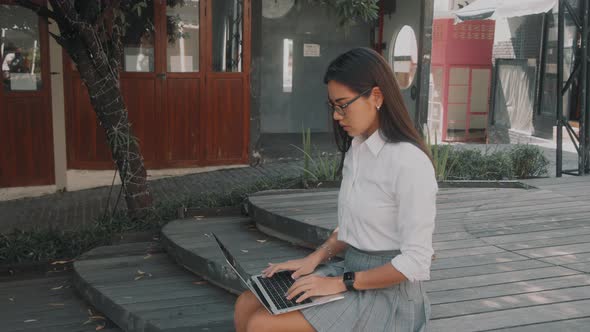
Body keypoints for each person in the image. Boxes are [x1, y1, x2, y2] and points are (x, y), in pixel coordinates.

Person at [234, 47, 437, 332]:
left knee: (262, 325)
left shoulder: (409, 162)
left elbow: (416, 262)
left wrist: (341, 282)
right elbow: (352, 229)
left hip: (386, 293)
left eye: (343, 105)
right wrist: (313, 259)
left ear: (376, 97)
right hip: (350, 271)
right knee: (246, 303)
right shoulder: (357, 149)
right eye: (333, 106)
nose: (337, 116)